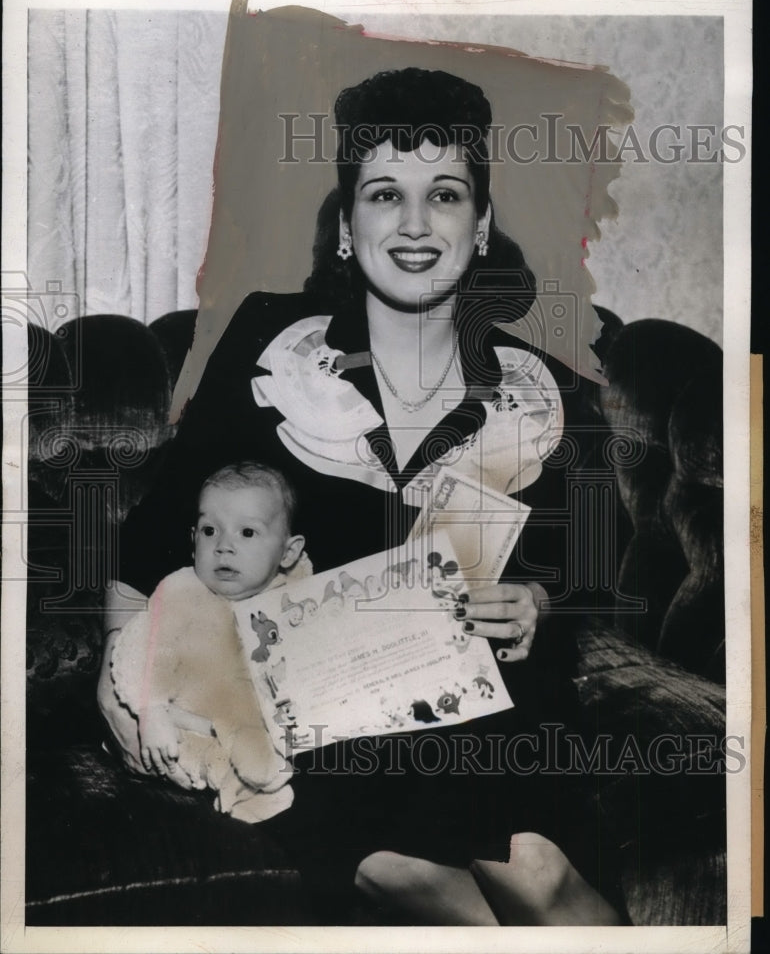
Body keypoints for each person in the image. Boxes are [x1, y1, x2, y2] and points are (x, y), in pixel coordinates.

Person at [98, 67, 625, 925]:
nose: (415, 225)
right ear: (348, 228)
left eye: (445, 195)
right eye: (386, 194)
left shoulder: (550, 397)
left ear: (481, 226)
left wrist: (537, 602)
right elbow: (151, 547)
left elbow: (581, 586)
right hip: (309, 719)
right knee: (418, 880)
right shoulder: (272, 352)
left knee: (537, 868)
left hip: (481, 714)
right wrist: (120, 693)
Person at [108, 462, 307, 822]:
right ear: (192, 537)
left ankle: (260, 771)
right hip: (182, 717)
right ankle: (240, 793)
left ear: (289, 553)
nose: (224, 547)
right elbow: (148, 656)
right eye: (209, 530)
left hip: (258, 718)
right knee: (195, 750)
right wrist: (152, 714)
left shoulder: (292, 591)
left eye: (247, 533)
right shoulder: (183, 593)